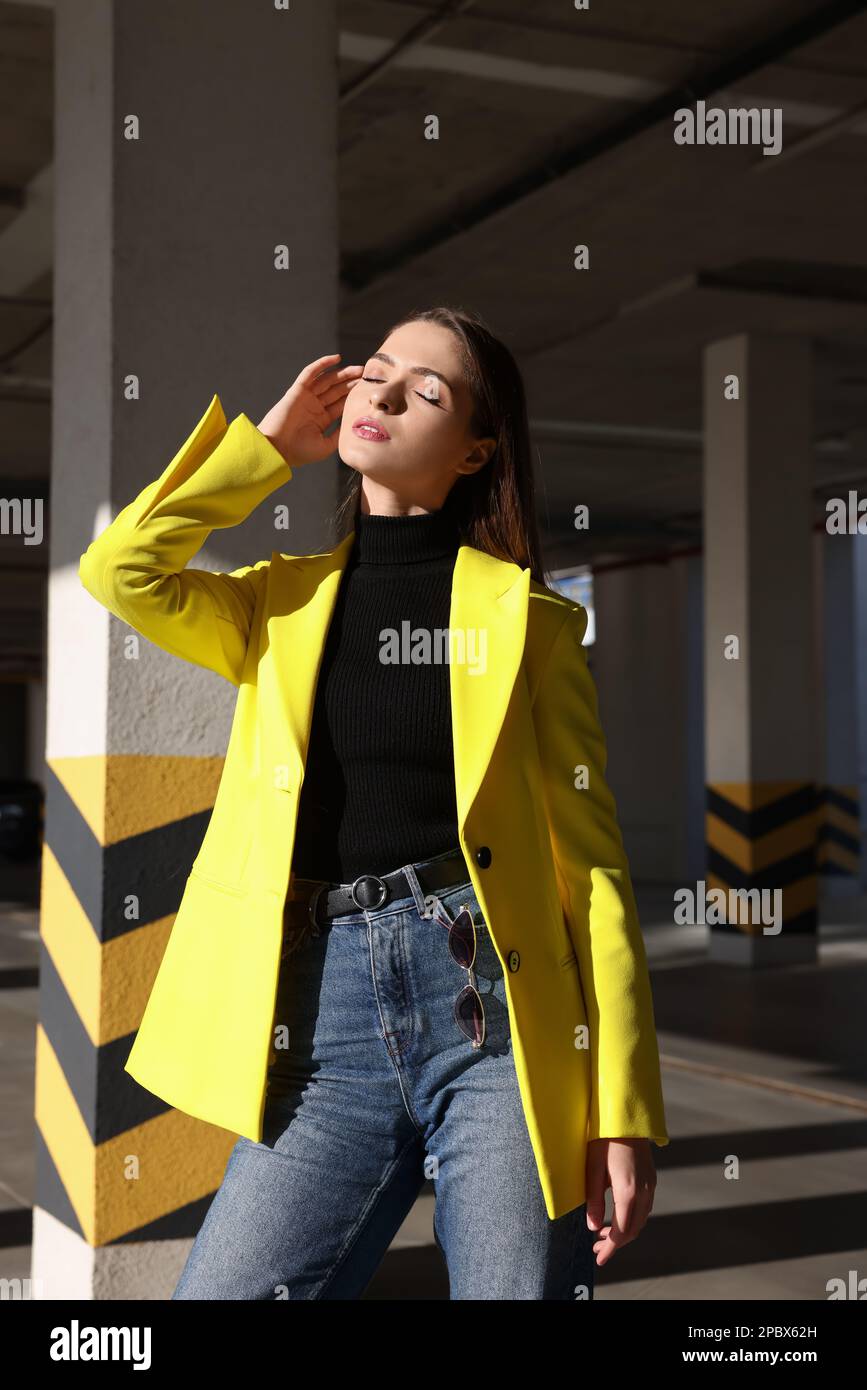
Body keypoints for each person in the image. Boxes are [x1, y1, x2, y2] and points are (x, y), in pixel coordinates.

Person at [79, 305, 669, 1300]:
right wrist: (262, 451)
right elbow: (122, 570)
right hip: (325, 1022)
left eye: (427, 390)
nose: (385, 393)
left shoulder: (533, 624)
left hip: (498, 1018)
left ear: (479, 448)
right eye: (378, 370)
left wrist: (622, 1099)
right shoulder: (279, 604)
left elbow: (594, 871)